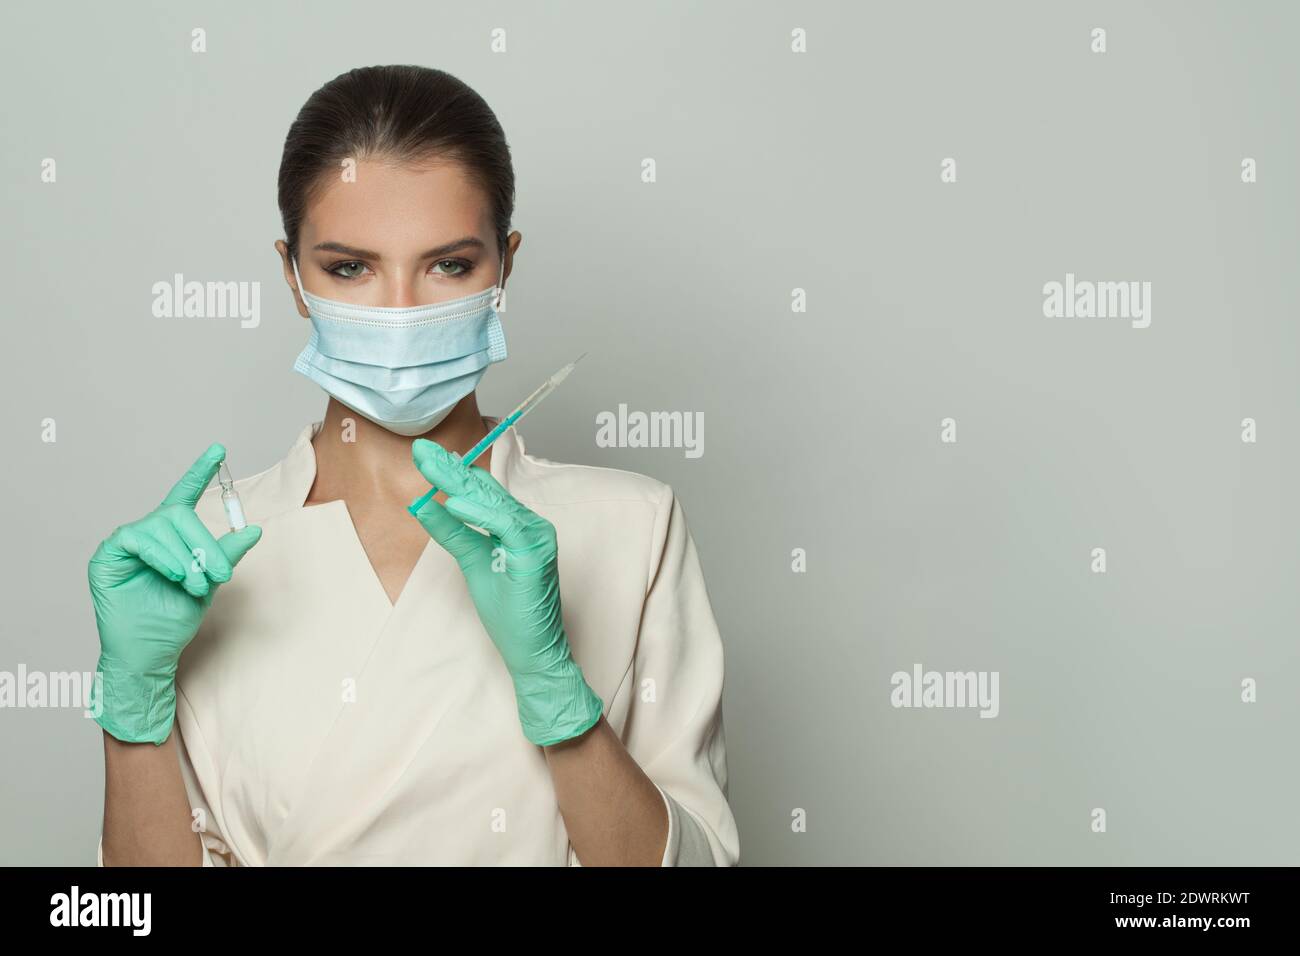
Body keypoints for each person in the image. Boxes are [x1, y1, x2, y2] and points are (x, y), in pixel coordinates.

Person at [89, 65, 738, 867]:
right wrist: (133, 711)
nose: (400, 313)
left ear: (505, 267)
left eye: (449, 266)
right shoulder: (202, 562)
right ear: (293, 276)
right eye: (350, 268)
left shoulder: (631, 528)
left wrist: (555, 695)